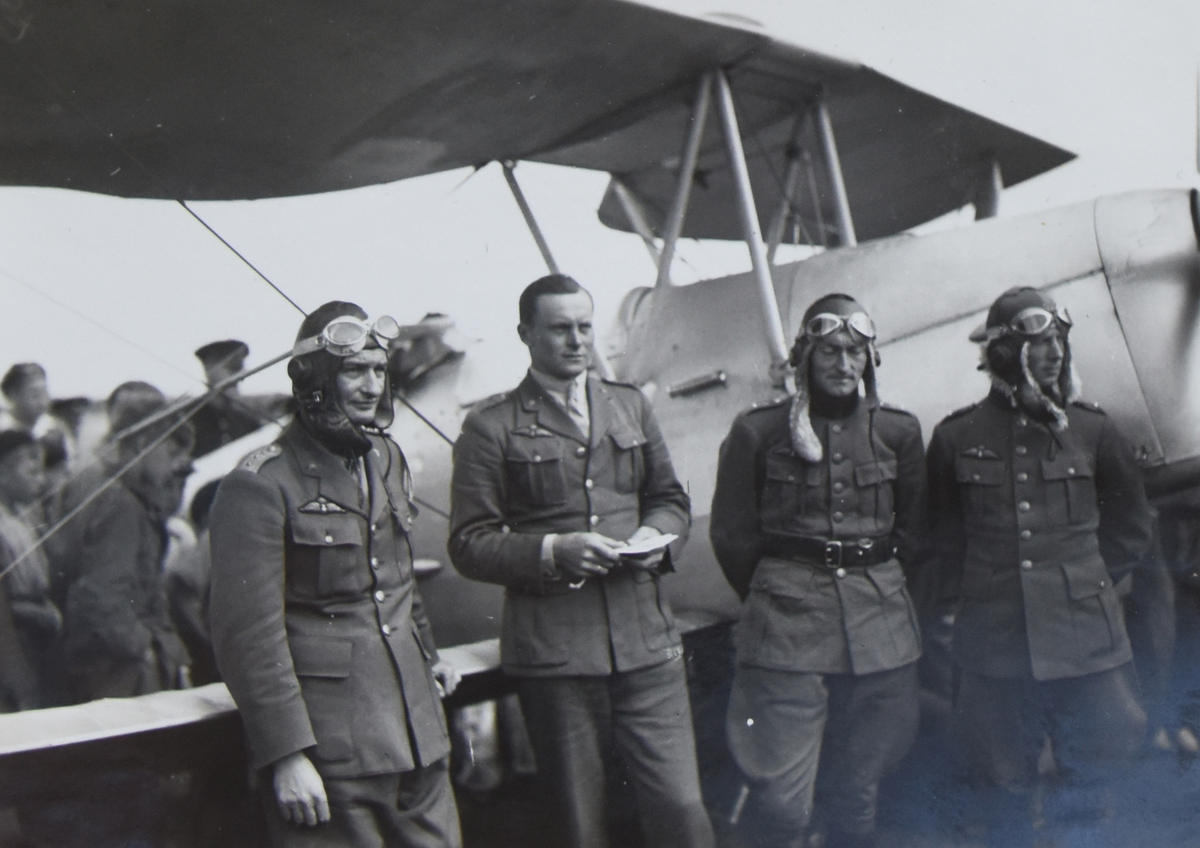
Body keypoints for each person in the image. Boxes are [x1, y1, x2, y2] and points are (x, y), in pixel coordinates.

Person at [448, 274, 714, 848]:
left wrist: (656, 537)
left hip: (646, 645)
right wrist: (552, 551)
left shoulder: (629, 405)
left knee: (681, 809)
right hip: (557, 656)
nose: (577, 341)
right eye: (560, 329)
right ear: (526, 334)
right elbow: (469, 541)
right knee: (578, 825)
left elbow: (670, 500)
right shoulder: (490, 426)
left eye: (585, 327)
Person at [209, 301, 461, 848]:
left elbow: (397, 581)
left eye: (379, 369)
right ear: (316, 381)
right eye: (354, 371)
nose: (372, 386)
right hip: (332, 754)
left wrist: (429, 657)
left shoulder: (386, 458)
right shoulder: (260, 484)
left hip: (417, 733)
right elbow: (247, 635)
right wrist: (286, 754)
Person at [923, 286, 1154, 846]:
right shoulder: (955, 438)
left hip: (1086, 643)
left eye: (1059, 340)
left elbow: (1131, 528)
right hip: (994, 645)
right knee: (1000, 788)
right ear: (1003, 353)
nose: (1055, 352)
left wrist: (1081, 582)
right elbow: (940, 540)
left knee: (1093, 782)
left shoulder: (1094, 430)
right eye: (1039, 342)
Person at [709, 294, 925, 848]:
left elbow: (915, 532)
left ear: (869, 358)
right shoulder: (758, 431)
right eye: (830, 351)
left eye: (855, 352)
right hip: (785, 628)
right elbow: (732, 535)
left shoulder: (898, 431)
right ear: (805, 356)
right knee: (782, 805)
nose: (844, 364)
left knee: (859, 795)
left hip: (880, 626)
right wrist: (776, 593)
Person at [58, 382, 194, 701]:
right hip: (118, 672)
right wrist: (145, 650)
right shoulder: (120, 502)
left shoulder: (90, 481)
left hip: (90, 662)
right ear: (143, 442)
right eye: (170, 452)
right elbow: (102, 595)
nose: (172, 466)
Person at [0, 430, 61, 708]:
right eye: (30, 469)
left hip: (39, 641)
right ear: (3, 473)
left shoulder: (25, 514)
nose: (40, 478)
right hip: (14, 643)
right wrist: (41, 614)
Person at [191, 339, 292, 457]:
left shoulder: (256, 406)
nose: (214, 374)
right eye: (210, 367)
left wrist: (281, 402)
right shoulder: (193, 412)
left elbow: (237, 402)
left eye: (229, 370)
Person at [0, 363, 75, 469]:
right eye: (34, 394)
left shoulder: (54, 428)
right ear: (12, 394)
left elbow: (68, 468)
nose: (41, 400)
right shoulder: (3, 428)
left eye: (44, 392)